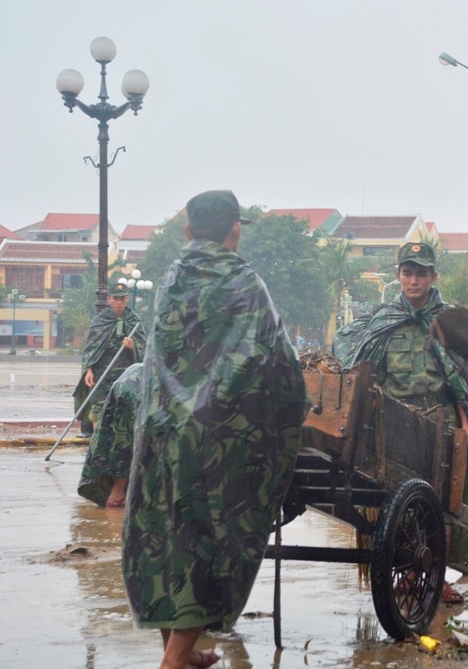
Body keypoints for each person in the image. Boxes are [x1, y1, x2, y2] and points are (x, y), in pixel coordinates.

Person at [122, 190, 307, 669]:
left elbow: (160, 355)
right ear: (235, 229)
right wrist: (291, 412)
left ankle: (179, 651)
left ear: (188, 231)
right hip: (215, 443)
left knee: (165, 539)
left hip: (160, 432)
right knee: (211, 542)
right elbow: (275, 359)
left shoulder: (168, 279)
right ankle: (173, 660)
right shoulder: (244, 280)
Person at [333, 241, 468, 605]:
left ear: (433, 276)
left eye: (422, 274)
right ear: (398, 276)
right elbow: (361, 369)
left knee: (442, 501)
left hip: (441, 423)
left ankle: (435, 577)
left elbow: (462, 381)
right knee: (396, 502)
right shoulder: (380, 323)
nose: (414, 281)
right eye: (408, 273)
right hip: (393, 425)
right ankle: (409, 570)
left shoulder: (451, 323)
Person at [73, 278, 146, 437]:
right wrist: (89, 369)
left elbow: (143, 347)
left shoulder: (135, 321)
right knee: (98, 407)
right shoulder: (100, 320)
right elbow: (91, 346)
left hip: (125, 374)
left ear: (127, 299)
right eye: (115, 298)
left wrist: (132, 346)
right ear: (109, 299)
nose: (119, 302)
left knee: (125, 407)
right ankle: (97, 442)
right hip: (102, 373)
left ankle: (121, 442)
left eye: (122, 298)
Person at [78, 362, 142, 508]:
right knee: (127, 443)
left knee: (120, 442)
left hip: (127, 385)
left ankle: (117, 493)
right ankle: (117, 495)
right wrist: (89, 369)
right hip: (130, 392)